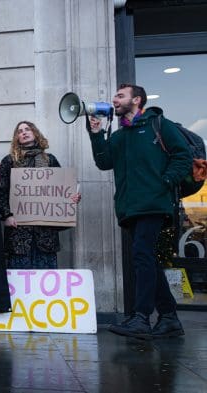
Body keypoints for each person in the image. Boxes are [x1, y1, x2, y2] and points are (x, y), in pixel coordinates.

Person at [88, 84, 190, 339]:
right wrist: (96, 135)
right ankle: (169, 318)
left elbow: (183, 156)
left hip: (153, 204)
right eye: (115, 96)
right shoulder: (121, 135)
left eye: (120, 96)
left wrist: (165, 182)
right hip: (130, 208)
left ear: (136, 100)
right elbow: (104, 162)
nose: (115, 99)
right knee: (148, 261)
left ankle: (141, 317)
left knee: (142, 257)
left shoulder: (158, 124)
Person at [0, 121, 81, 269]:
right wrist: (6, 216)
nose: (23, 132)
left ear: (35, 133)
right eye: (20, 131)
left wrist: (71, 199)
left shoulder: (50, 160)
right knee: (21, 283)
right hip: (19, 235)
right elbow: (1, 192)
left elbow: (61, 190)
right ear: (16, 138)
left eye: (27, 129)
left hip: (45, 235)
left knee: (46, 282)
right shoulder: (9, 161)